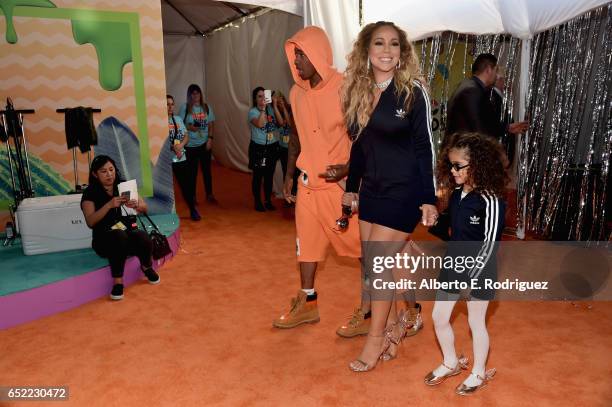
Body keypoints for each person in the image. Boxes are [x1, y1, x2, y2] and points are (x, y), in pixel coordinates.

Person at [341, 21, 437, 372]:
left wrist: (429, 198)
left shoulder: (413, 91)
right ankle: (400, 324)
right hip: (373, 191)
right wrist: (352, 188)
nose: (386, 50)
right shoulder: (357, 92)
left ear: (402, 52)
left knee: (379, 267)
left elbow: (425, 146)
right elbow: (359, 148)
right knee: (374, 266)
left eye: (394, 44)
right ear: (366, 51)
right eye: (379, 43)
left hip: (405, 192)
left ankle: (376, 340)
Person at [273, 26, 366, 334]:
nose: (296, 60)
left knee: (364, 247)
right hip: (307, 185)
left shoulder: (345, 89)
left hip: (339, 189)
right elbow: (296, 137)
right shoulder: (295, 93)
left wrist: (350, 169)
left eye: (301, 54)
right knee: (306, 247)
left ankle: (369, 311)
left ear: (318, 54)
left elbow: (366, 140)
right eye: (294, 54)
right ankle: (308, 303)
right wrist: (288, 174)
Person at [425, 132, 507, 395]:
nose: (452, 170)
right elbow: (450, 228)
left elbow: (490, 244)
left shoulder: (491, 199)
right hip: (454, 265)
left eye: (458, 166)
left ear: (478, 166)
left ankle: (479, 372)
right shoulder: (458, 193)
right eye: (450, 164)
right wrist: (434, 219)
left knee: (476, 322)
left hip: (479, 271)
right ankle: (450, 361)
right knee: (439, 317)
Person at [81, 155, 160, 301]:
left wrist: (136, 205)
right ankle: (118, 282)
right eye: (103, 171)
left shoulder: (124, 186)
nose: (109, 174)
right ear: (95, 174)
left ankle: (147, 267)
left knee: (142, 236)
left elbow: (144, 208)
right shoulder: (90, 193)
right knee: (118, 236)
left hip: (128, 234)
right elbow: (90, 221)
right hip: (104, 240)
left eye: (111, 169)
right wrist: (109, 205)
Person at [179, 84, 217, 220]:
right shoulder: (184, 108)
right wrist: (190, 127)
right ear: (189, 95)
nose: (195, 96)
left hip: (204, 144)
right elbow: (180, 124)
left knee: (207, 170)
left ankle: (209, 194)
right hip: (190, 145)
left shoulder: (206, 107)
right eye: (193, 94)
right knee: (192, 173)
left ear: (200, 94)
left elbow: (211, 124)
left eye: (197, 93)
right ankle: (192, 197)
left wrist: (210, 139)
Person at [248, 87, 281, 211]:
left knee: (269, 176)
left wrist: (275, 106)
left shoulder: (270, 110)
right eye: (259, 96)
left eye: (264, 96)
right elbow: (260, 124)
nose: (262, 99)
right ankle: (257, 201)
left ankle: (267, 200)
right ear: (255, 99)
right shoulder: (253, 112)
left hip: (272, 147)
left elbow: (280, 123)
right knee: (258, 176)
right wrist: (263, 110)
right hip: (259, 148)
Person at [490, 72, 528, 166]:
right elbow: (495, 121)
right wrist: (508, 127)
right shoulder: (494, 96)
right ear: (498, 81)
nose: (506, 83)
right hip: (501, 139)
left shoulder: (499, 95)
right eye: (504, 80)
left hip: (505, 137)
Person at [167, 95, 192, 216]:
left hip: (180, 156)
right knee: (166, 187)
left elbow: (186, 135)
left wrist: (180, 145)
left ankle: (192, 209)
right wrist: (172, 147)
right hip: (166, 159)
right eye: (167, 104)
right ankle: (168, 212)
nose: (170, 107)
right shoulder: (160, 121)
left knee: (185, 185)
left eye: (172, 104)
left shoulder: (178, 119)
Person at [274, 90, 299, 204]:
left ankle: (295, 196)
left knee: (296, 173)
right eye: (276, 100)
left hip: (294, 147)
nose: (279, 102)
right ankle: (287, 196)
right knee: (286, 172)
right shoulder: (274, 112)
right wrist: (275, 106)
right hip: (283, 147)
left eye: (281, 99)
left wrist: (284, 108)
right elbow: (281, 123)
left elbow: (289, 124)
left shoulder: (291, 109)